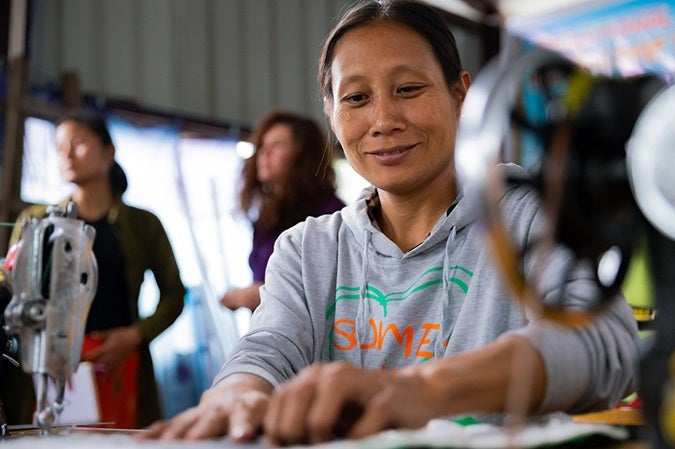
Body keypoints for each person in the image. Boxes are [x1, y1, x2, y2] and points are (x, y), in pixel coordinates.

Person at [139, 0, 639, 444]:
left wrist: (419, 390)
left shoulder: (538, 218)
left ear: (460, 94)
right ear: (331, 113)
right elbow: (268, 349)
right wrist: (237, 395)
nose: (383, 120)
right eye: (356, 98)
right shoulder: (308, 248)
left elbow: (604, 346)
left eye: (408, 88)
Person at [8, 109, 186, 428]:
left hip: (120, 362)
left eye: (78, 143)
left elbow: (174, 295)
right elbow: (11, 290)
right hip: (52, 367)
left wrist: (134, 335)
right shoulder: (36, 222)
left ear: (109, 151)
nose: (67, 155)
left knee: (122, 440)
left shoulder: (143, 225)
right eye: (60, 147)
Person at [219, 109, 344, 312]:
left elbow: (327, 288)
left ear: (304, 155)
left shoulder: (329, 213)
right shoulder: (268, 215)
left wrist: (250, 295)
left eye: (277, 145)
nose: (264, 153)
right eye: (262, 146)